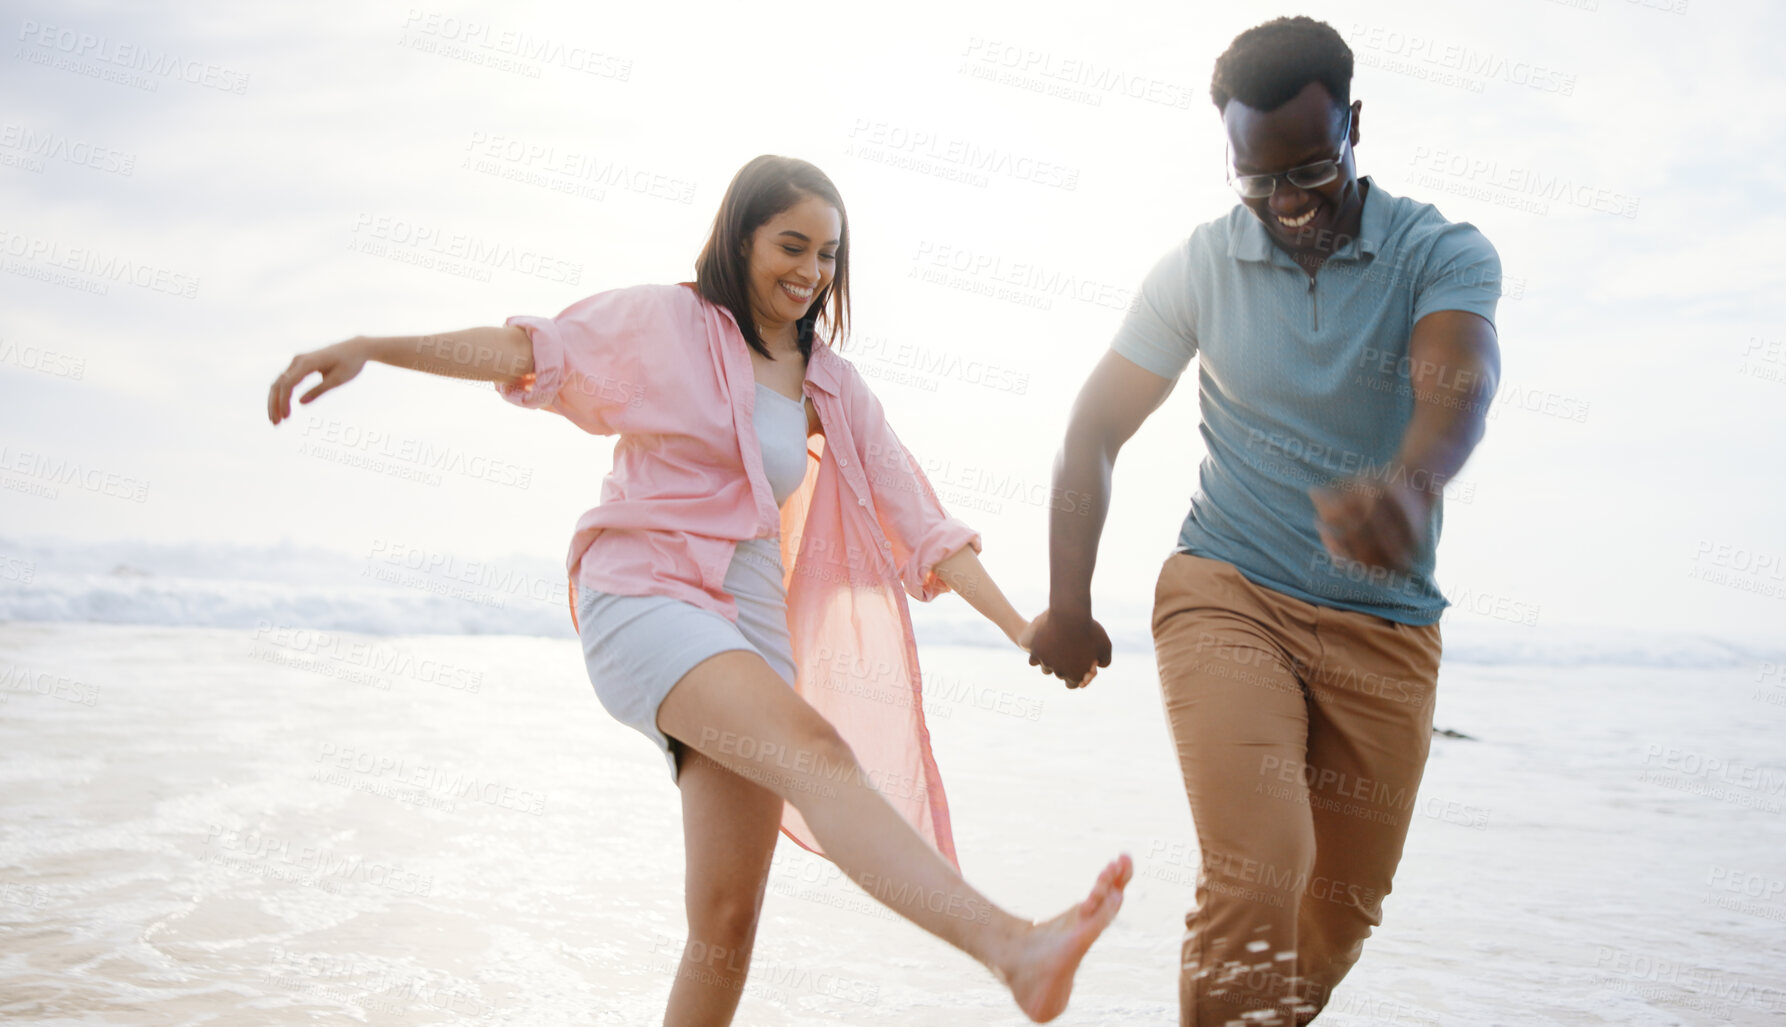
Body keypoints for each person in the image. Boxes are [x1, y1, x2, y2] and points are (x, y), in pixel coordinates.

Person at [267, 154, 1133, 1026]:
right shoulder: (666, 321)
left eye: (828, 254)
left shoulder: (831, 381)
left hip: (751, 628)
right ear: (740, 238)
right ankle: (1012, 949)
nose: (810, 271)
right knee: (817, 752)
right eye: (790, 245)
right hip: (644, 596)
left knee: (725, 923)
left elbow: (923, 526)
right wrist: (373, 348)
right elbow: (532, 351)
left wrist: (1023, 624)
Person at [1022, 16, 1503, 1026]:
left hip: (1389, 633)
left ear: (1355, 126)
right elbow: (1095, 427)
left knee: (1333, 924)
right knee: (1259, 873)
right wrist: (1068, 602)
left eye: (1309, 174)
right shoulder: (1197, 267)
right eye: (1256, 183)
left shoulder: (1437, 250)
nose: (1284, 207)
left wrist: (1410, 483)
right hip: (1227, 597)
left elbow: (1458, 378)